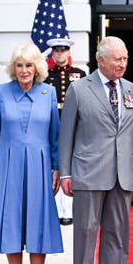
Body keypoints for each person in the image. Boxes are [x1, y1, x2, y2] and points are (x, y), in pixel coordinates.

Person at [59, 36, 133, 264]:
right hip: (88, 171)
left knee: (118, 234)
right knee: (85, 233)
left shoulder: (132, 89)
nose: (123, 63)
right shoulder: (79, 89)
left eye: (125, 58)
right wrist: (66, 173)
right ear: (101, 60)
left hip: (123, 173)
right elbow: (66, 135)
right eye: (118, 59)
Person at [0, 43, 63, 264]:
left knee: (37, 225)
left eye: (29, 65)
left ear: (37, 68)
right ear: (13, 68)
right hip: (8, 166)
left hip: (40, 167)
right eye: (19, 65)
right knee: (12, 225)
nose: (24, 70)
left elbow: (55, 136)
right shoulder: (1, 93)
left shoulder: (48, 92)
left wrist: (56, 167)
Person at [45, 37, 86, 226]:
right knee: (54, 167)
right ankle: (56, 209)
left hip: (73, 126)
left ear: (69, 53)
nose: (60, 54)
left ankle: (68, 210)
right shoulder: (45, 75)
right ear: (52, 54)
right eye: (56, 51)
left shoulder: (79, 74)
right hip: (51, 125)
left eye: (63, 50)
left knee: (70, 167)